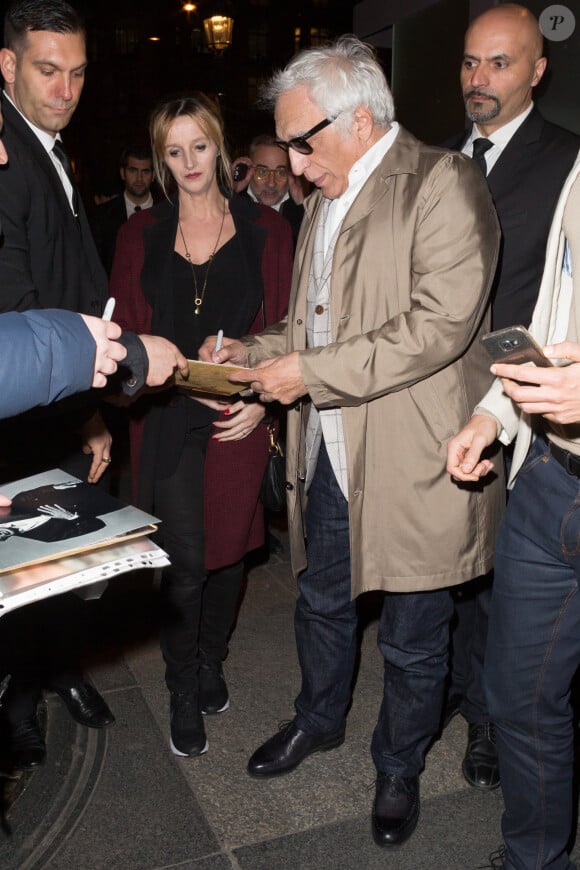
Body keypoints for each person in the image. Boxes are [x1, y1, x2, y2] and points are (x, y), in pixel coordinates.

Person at [198, 36, 503, 848]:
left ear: (360, 119)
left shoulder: (443, 182)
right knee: (320, 602)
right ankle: (319, 719)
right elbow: (310, 326)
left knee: (413, 635)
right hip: (324, 450)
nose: (293, 166)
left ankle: (398, 766)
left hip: (415, 461)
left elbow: (437, 328)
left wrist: (311, 374)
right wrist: (252, 355)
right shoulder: (325, 199)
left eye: (304, 141)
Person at [0, 0, 188, 771]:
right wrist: (101, 377)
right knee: (26, 568)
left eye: (77, 73)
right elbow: (15, 307)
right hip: (21, 404)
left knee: (58, 564)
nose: (64, 88)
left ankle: (54, 671)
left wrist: (88, 417)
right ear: (6, 65)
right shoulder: (9, 156)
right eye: (47, 70)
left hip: (58, 395)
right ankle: (18, 709)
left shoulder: (49, 147)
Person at [111, 92, 293, 759]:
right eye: (174, 150)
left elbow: (286, 329)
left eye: (200, 145)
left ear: (222, 148)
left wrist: (263, 402)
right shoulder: (141, 233)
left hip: (238, 419)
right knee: (186, 565)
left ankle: (211, 658)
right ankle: (183, 685)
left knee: (229, 558)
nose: (189, 162)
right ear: (161, 159)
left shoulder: (267, 232)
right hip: (166, 423)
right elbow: (125, 333)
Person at [442, 3, 580, 793]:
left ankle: (493, 725)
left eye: (499, 63)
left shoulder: (567, 161)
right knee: (456, 571)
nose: (479, 79)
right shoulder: (446, 157)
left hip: (528, 405)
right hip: (446, 393)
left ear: (537, 70)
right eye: (469, 62)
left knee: (502, 582)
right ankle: (474, 702)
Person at [92, 143, 156, 275]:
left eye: (145, 171)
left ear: (153, 175)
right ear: (123, 173)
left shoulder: (170, 214)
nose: (139, 178)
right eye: (133, 170)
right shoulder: (101, 217)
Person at [233, 134, 305, 243]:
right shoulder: (232, 206)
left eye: (280, 172)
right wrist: (231, 192)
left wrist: (303, 205)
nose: (271, 183)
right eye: (262, 172)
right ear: (249, 170)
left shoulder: (302, 212)